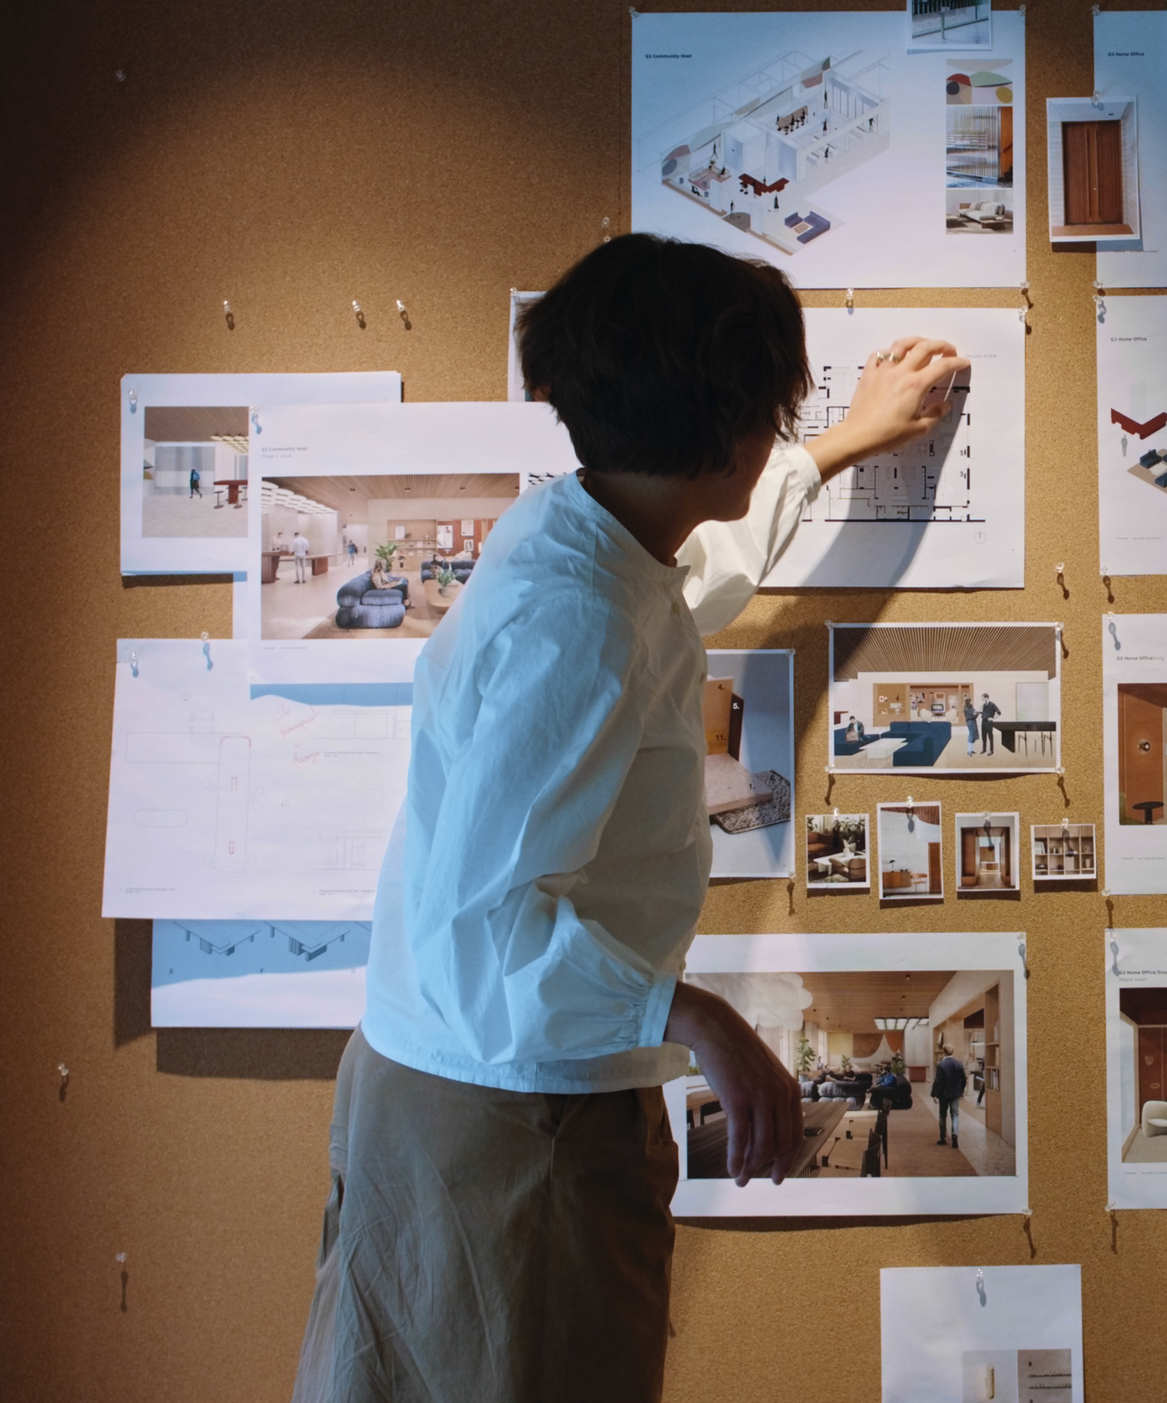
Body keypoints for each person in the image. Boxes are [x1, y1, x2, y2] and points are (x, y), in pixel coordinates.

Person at [292, 233, 968, 1403]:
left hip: (474, 1087)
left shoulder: (586, 534)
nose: (779, 423)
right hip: (509, 1116)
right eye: (774, 405)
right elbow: (484, 926)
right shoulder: (578, 622)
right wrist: (693, 1012)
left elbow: (692, 579)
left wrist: (840, 445)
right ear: (724, 432)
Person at [933, 1044, 969, 1147]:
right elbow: (963, 1079)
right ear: (953, 1052)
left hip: (943, 1094)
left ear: (944, 1052)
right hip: (955, 1094)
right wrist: (960, 1090)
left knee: (942, 1115)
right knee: (955, 1115)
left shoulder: (941, 1065)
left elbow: (938, 1081)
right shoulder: (959, 1064)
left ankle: (943, 1137)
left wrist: (935, 1094)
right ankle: (954, 1136)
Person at [976, 692, 1001, 756]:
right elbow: (983, 712)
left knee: (990, 737)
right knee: (983, 736)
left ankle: (991, 750)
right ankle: (984, 749)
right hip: (983, 722)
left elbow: (999, 712)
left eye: (983, 698)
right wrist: (979, 710)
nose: (982, 699)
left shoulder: (992, 704)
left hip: (989, 722)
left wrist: (993, 718)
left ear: (986, 697)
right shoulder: (984, 705)